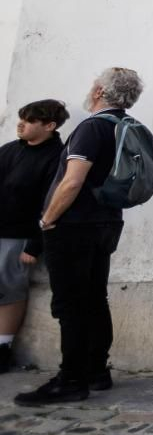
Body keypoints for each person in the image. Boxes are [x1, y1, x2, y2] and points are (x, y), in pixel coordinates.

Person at [17, 68, 150, 406]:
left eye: (93, 84)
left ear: (99, 92)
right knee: (93, 297)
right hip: (106, 222)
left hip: (74, 226)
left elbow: (73, 181)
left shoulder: (91, 128)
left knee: (70, 304)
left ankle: (71, 379)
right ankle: (95, 371)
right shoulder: (124, 127)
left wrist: (48, 218)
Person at [0, 100, 70, 375]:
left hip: (20, 234)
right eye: (21, 118)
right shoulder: (9, 151)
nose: (21, 124)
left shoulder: (56, 157)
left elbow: (50, 201)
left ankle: (2, 348)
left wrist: (35, 242)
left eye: (29, 121)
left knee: (8, 288)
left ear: (49, 126)